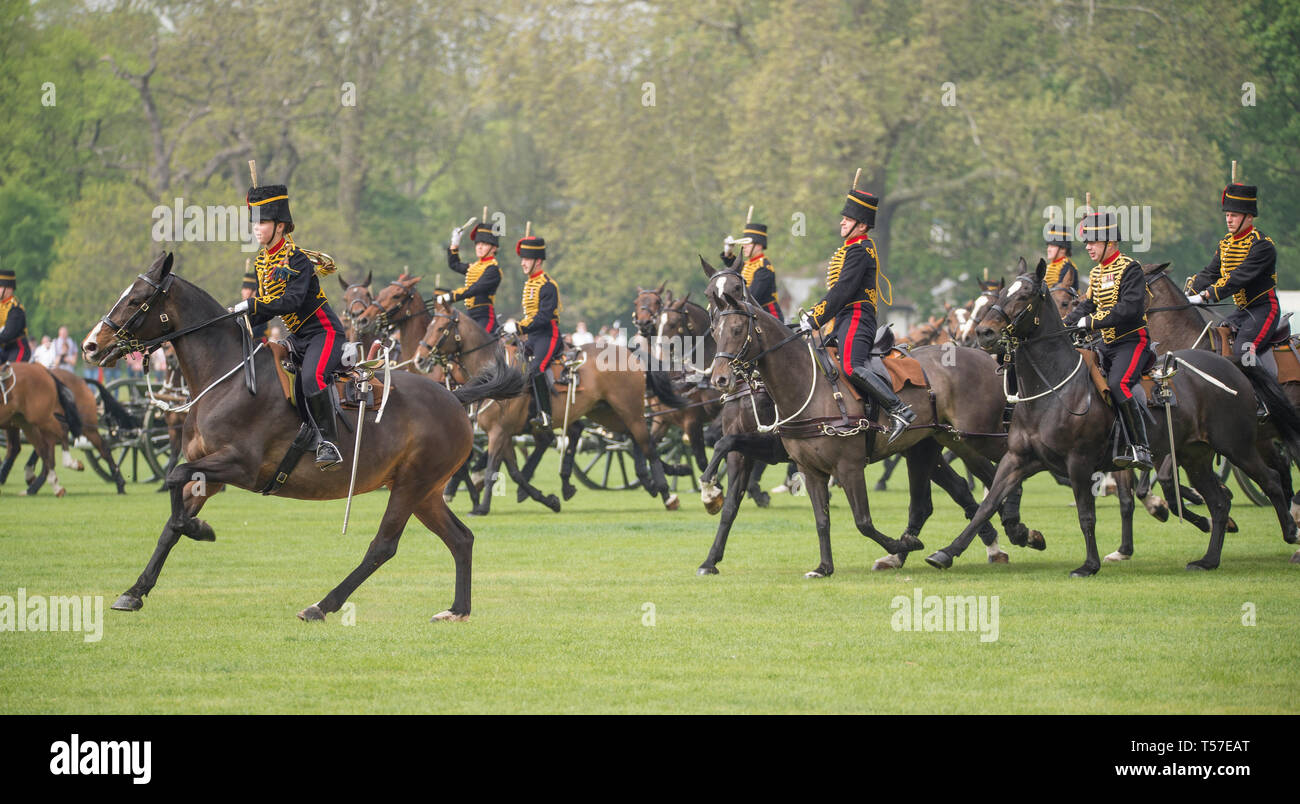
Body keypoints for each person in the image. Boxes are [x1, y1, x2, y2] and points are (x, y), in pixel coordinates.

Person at [230, 183, 344, 470]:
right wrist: (238, 318)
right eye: (254, 223)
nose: (256, 229)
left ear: (280, 226)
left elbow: (290, 301)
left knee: (311, 378)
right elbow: (264, 308)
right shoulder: (261, 262)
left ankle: (329, 442)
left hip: (323, 332)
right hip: (297, 337)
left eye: (263, 222)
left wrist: (253, 305)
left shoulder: (297, 259)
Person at [800, 188, 914, 442]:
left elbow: (842, 291)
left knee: (852, 367)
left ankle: (899, 410)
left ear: (861, 225)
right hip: (842, 319)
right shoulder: (852, 248)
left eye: (848, 219)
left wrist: (814, 316)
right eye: (844, 218)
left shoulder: (860, 250)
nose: (842, 222)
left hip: (856, 317)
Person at [1063, 210, 1154, 470]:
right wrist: (1065, 324)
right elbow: (1087, 305)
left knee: (1118, 384)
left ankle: (1141, 447)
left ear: (1110, 243)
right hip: (1105, 344)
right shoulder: (1096, 273)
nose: (1088, 248)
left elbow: (1130, 308)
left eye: (1093, 242)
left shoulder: (1130, 268)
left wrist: (1091, 322)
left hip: (1131, 342)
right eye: (1087, 243)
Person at [1185, 182, 1279, 368]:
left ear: (1249, 217)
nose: (1229, 219)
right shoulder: (1225, 243)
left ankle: (1261, 395)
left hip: (1264, 310)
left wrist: (1205, 295)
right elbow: (1210, 272)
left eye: (1234, 215)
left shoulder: (1262, 245)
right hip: (1241, 312)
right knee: (1215, 343)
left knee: (1243, 352)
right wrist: (1187, 294)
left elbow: (1237, 278)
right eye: (1227, 215)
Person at [502, 234, 560, 430]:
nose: (522, 263)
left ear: (538, 261)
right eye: (522, 259)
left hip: (547, 335)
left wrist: (518, 327)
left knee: (537, 369)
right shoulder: (528, 284)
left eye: (526, 259)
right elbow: (529, 315)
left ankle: (545, 414)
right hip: (531, 337)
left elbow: (543, 317)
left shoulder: (548, 285)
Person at [438, 220, 502, 333]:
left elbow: (475, 289)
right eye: (478, 243)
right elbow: (454, 264)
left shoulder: (493, 269)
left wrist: (451, 296)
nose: (479, 247)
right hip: (469, 314)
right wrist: (455, 243)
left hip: (485, 316)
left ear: (494, 248)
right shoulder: (474, 267)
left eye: (484, 244)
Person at [722, 222, 783, 320]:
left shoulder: (764, 268)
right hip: (753, 315)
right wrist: (728, 252)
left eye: (748, 244)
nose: (744, 246)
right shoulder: (747, 264)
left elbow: (752, 296)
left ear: (758, 245)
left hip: (769, 317)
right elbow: (733, 266)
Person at [0, 269, 32, 364]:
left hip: (18, 349)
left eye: (0, 286)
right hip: (4, 350)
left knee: (10, 373)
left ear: (9, 288)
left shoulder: (16, 309)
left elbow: (8, 334)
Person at [1044, 223, 1079, 291]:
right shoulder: (1048, 267)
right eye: (1048, 246)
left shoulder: (1067, 267)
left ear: (1063, 249)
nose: (1048, 249)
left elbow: (1060, 292)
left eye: (1052, 246)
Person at [241, 270, 268, 341]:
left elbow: (253, 332)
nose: (243, 292)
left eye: (247, 289)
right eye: (243, 289)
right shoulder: (243, 308)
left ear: (254, 292)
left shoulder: (260, 308)